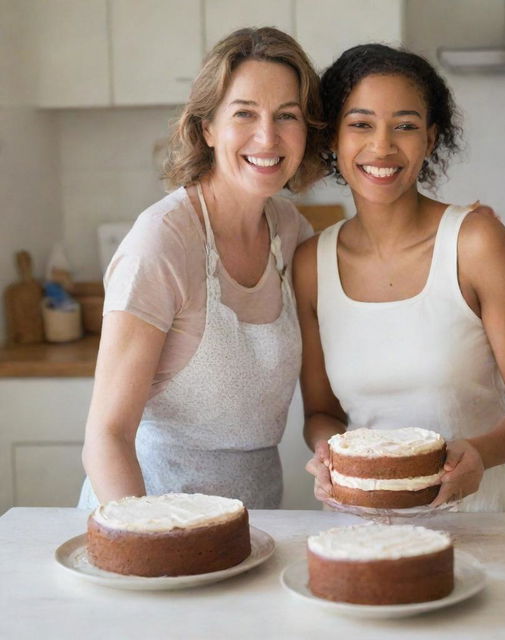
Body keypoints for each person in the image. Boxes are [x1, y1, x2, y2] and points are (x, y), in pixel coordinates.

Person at [294, 44, 505, 512]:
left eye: (405, 126)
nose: (382, 146)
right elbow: (322, 414)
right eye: (360, 124)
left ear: (431, 139)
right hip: (358, 531)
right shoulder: (310, 264)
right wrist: (326, 453)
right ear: (333, 138)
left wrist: (479, 454)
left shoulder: (476, 243)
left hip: (478, 532)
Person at [79, 27, 325, 509]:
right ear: (207, 127)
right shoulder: (163, 242)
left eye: (287, 116)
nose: (268, 136)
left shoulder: (292, 233)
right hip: (147, 520)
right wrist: (148, 543)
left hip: (254, 529)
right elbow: (105, 438)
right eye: (245, 113)